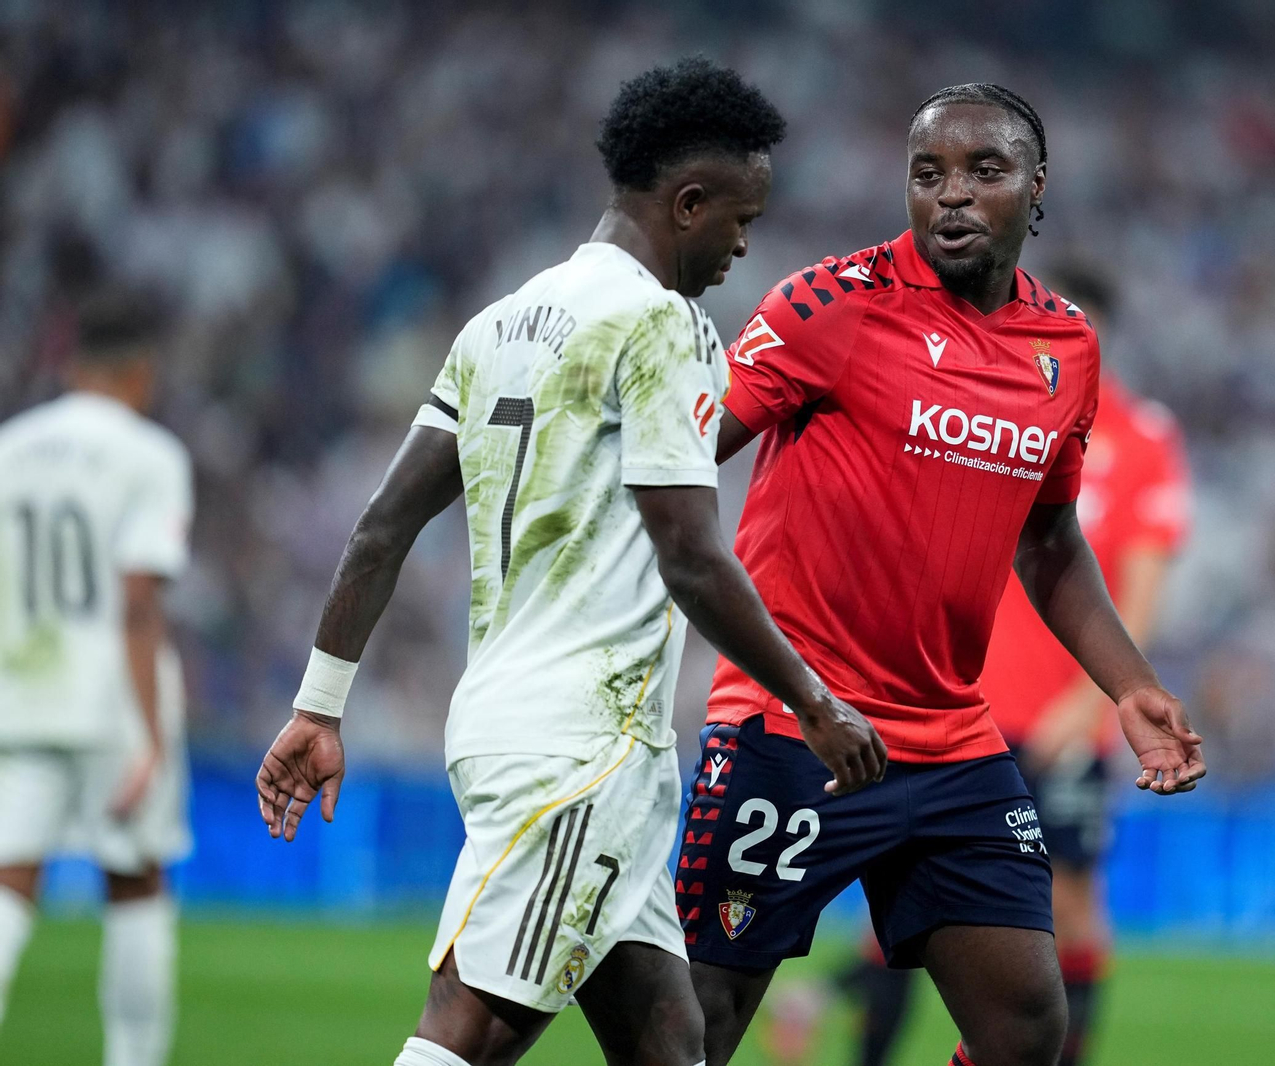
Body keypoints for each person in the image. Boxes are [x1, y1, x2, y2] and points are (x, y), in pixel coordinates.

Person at [253, 58, 884, 1066]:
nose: (742, 244)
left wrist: (319, 703)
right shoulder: (663, 325)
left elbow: (380, 526)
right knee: (470, 1027)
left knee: (670, 1041)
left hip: (531, 726)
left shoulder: (498, 323)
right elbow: (689, 552)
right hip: (579, 746)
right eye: (739, 218)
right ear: (687, 204)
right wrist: (809, 698)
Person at [679, 83, 1206, 1066]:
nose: (951, 195)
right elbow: (679, 458)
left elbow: (1048, 540)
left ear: (1035, 188)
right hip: (796, 721)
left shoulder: (1064, 348)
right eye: (929, 174)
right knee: (703, 1018)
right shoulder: (826, 307)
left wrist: (1129, 686)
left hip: (949, 737)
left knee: (1025, 1028)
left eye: (983, 171)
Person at [842, 263, 1194, 1066]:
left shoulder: (1143, 443)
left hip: (1063, 722)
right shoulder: (985, 412)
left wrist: (1090, 707)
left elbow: (1138, 593)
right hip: (956, 708)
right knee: (893, 898)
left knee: (1071, 906)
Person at [0, 292, 194, 1066]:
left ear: (72, 367)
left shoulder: (9, 448)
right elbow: (138, 599)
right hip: (115, 703)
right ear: (139, 372)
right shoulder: (150, 456)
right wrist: (147, 732)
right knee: (135, 879)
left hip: (21, 695)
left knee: (11, 879)